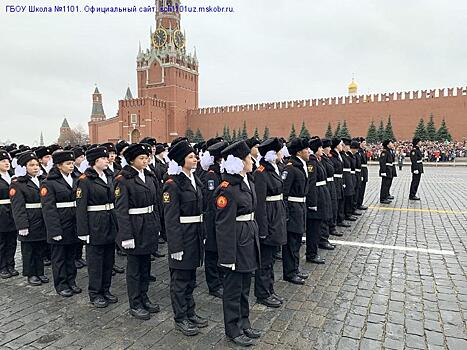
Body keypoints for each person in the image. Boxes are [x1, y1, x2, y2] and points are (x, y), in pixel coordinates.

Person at [215, 140, 261, 347]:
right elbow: (223, 226)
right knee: (233, 288)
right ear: (241, 162)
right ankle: (232, 329)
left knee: (244, 286)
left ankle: (244, 322)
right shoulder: (227, 188)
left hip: (248, 236)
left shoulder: (247, 181)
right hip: (235, 241)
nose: (252, 160)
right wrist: (227, 258)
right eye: (249, 158)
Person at [163, 140, 207, 336]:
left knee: (190, 278)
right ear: (182, 160)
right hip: (182, 236)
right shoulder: (173, 184)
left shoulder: (194, 179)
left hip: (195, 234)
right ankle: (180, 317)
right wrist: (175, 246)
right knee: (180, 279)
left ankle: (190, 311)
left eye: (194, 156)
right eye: (191, 157)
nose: (195, 158)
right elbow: (170, 218)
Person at [115, 143, 161, 320]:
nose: (145, 160)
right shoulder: (123, 180)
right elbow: (121, 210)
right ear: (132, 160)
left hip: (148, 224)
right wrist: (126, 236)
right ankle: (135, 302)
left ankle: (144, 296)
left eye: (146, 157)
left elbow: (156, 203)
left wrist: (157, 226)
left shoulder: (149, 176)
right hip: (134, 226)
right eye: (141, 158)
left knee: (145, 266)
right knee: (134, 268)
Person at [76, 146, 118, 308]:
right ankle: (95, 293)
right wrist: (83, 231)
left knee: (109, 259)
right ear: (95, 161)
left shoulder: (109, 176)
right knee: (95, 262)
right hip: (95, 224)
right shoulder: (85, 180)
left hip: (109, 222)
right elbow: (81, 207)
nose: (107, 160)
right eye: (104, 158)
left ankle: (105, 289)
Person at [40, 150, 81, 297]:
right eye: (68, 164)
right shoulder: (49, 183)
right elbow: (48, 209)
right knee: (59, 257)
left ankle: (71, 281)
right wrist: (54, 231)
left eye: (72, 163)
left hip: (74, 222)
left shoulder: (76, 178)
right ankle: (61, 284)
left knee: (71, 255)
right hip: (60, 223)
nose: (71, 166)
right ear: (59, 165)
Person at [253, 137, 286, 308]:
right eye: (279, 150)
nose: (282, 153)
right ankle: (262, 293)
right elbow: (259, 204)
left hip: (276, 215)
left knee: (271, 258)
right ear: (272, 153)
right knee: (264, 260)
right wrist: (263, 229)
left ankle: (270, 289)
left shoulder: (274, 168)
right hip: (269, 219)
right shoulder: (260, 173)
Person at [9, 151, 49, 286]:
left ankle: (40, 271)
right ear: (25, 168)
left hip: (42, 218)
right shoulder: (18, 183)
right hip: (29, 219)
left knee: (40, 247)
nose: (36, 168)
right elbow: (17, 207)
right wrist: (22, 225)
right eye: (32, 165)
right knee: (28, 249)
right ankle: (31, 273)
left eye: (37, 165)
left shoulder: (44, 179)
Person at [201, 141, 229, 299]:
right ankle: (214, 284)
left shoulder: (220, 171)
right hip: (212, 217)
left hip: (219, 217)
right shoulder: (212, 174)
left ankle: (220, 279)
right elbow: (212, 198)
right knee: (212, 252)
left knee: (218, 250)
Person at [282, 138, 310, 285]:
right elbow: (284, 193)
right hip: (293, 209)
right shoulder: (290, 168)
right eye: (306, 149)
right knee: (291, 242)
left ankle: (295, 268)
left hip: (300, 207)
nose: (309, 152)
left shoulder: (300, 165)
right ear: (299, 152)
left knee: (297, 240)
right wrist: (286, 213)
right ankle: (289, 272)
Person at [305, 137, 332, 264]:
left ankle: (313, 251)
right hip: (317, 197)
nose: (322, 149)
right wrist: (313, 203)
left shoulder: (317, 160)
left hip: (321, 195)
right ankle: (311, 253)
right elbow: (311, 184)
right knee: (313, 228)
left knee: (317, 225)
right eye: (320, 147)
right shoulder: (311, 162)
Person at [0, 150, 18, 279]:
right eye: (3, 161)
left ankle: (10, 264)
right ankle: (2, 266)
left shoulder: (13, 176)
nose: (6, 163)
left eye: (8, 161)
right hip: (1, 212)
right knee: (1, 242)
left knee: (12, 241)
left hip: (13, 211)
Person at [72, 146, 87, 270]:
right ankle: (74, 257)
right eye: (80, 157)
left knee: (78, 234)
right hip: (69, 208)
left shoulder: (79, 173)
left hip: (76, 206)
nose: (83, 159)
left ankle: (78, 256)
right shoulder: (75, 173)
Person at [330, 139, 349, 228]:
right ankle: (335, 220)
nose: (342, 146)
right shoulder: (332, 155)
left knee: (341, 199)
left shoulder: (338, 155)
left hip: (340, 179)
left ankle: (340, 219)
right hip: (335, 180)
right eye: (341, 144)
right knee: (336, 201)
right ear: (337, 146)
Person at [379, 140, 396, 204]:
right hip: (386, 170)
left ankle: (386, 195)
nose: (392, 144)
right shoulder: (384, 152)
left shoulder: (390, 151)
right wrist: (383, 171)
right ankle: (383, 198)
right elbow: (382, 162)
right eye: (391, 143)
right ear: (387, 145)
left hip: (390, 169)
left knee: (388, 184)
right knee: (385, 185)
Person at [357, 137, 368, 210]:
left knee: (363, 188)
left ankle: (360, 203)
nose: (365, 144)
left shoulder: (363, 151)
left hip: (364, 171)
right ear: (360, 143)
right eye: (364, 142)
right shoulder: (359, 152)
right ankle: (358, 204)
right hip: (361, 171)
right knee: (360, 189)